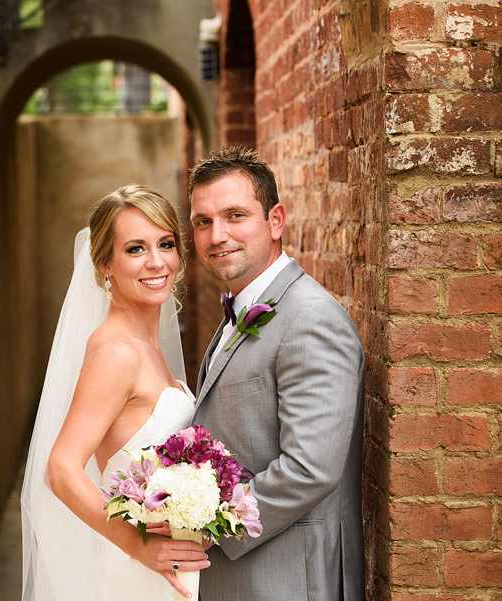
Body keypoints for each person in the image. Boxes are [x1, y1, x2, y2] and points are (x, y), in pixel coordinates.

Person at [189, 147, 365, 600]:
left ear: (275, 221)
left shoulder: (310, 319)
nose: (217, 235)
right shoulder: (243, 306)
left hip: (290, 579)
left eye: (235, 215)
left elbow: (310, 468)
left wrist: (203, 522)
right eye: (202, 221)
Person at [21, 185, 209, 601]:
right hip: (137, 573)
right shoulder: (116, 352)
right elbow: (61, 468)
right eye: (136, 249)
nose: (157, 262)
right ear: (105, 263)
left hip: (169, 571)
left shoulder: (148, 347)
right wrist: (135, 544)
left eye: (166, 244)